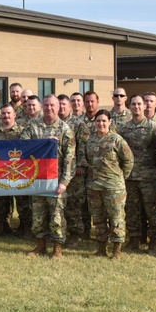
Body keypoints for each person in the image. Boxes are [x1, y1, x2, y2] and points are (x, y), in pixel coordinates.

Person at [20, 95, 76, 258]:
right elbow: (24, 147)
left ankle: (57, 247)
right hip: (37, 178)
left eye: (52, 105)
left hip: (56, 180)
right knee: (38, 214)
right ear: (42, 107)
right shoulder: (33, 125)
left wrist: (64, 182)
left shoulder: (65, 130)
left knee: (57, 215)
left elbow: (70, 158)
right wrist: (44, 143)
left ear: (59, 107)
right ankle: (40, 245)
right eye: (46, 105)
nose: (49, 108)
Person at [84, 109, 133, 260]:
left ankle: (116, 250)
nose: (101, 123)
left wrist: (119, 177)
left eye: (104, 121)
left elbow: (128, 160)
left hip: (113, 188)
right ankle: (101, 248)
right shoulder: (90, 141)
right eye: (98, 121)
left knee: (116, 218)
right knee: (98, 219)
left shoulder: (117, 140)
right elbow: (88, 160)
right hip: (94, 187)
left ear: (110, 122)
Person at [117, 95, 156, 255]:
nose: (136, 106)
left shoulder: (154, 128)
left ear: (144, 107)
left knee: (152, 210)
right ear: (130, 107)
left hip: (149, 177)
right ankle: (134, 239)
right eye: (134, 104)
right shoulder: (123, 128)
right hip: (130, 177)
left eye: (139, 104)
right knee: (132, 210)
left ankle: (155, 240)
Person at [65, 90, 99, 246]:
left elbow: (82, 147)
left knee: (83, 202)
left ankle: (86, 232)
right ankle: (79, 231)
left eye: (92, 101)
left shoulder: (82, 123)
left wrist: (80, 165)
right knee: (76, 201)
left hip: (87, 168)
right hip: (70, 169)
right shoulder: (72, 122)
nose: (89, 104)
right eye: (87, 101)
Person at [0, 104, 27, 236]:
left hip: (19, 172)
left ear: (15, 115)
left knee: (22, 200)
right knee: (0, 200)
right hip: (0, 172)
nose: (6, 116)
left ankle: (24, 227)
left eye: (9, 113)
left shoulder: (23, 131)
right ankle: (0, 225)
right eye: (3, 113)